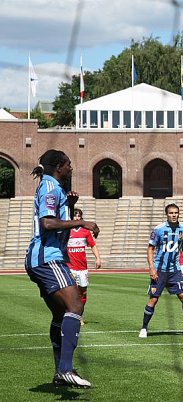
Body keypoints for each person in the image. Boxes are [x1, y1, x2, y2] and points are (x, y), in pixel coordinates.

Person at [25, 149, 100, 388]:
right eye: (68, 164)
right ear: (59, 166)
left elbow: (56, 222)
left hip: (47, 258)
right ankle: (66, 369)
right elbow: (47, 223)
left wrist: (69, 205)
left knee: (60, 314)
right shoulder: (50, 187)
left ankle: (60, 372)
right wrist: (81, 221)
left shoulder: (54, 188)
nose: (71, 168)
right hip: (47, 258)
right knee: (75, 305)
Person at [138, 204, 183, 338]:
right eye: (171, 213)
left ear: (179, 214)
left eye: (176, 213)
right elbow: (150, 249)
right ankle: (144, 328)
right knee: (153, 299)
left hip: (175, 270)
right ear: (166, 214)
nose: (174, 215)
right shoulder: (158, 229)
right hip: (159, 270)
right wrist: (151, 268)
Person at [67, 208, 102, 325]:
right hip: (70, 267)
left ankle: (79, 315)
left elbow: (93, 245)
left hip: (82, 268)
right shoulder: (67, 231)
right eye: (75, 215)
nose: (77, 218)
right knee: (72, 292)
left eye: (78, 216)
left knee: (83, 292)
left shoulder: (85, 231)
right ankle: (70, 315)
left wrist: (98, 258)